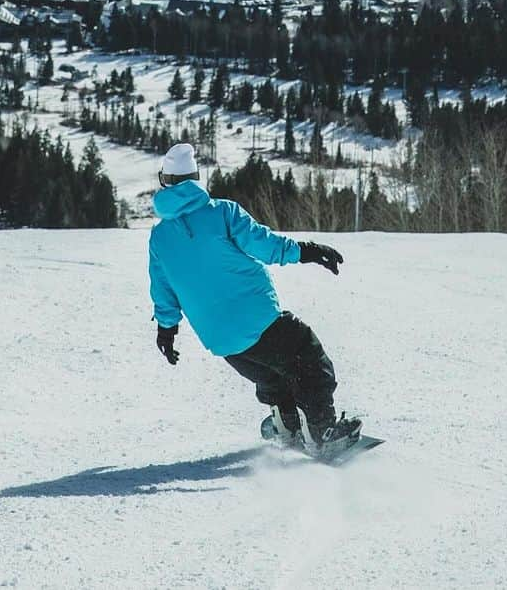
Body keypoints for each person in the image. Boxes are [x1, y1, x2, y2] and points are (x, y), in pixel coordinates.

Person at [148, 141, 361, 459]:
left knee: (274, 375)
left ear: (165, 182)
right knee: (311, 361)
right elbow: (266, 246)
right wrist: (309, 251)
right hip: (259, 321)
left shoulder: (160, 237)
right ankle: (323, 432)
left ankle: (287, 424)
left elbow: (163, 289)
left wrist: (166, 330)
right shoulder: (222, 213)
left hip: (221, 341)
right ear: (196, 178)